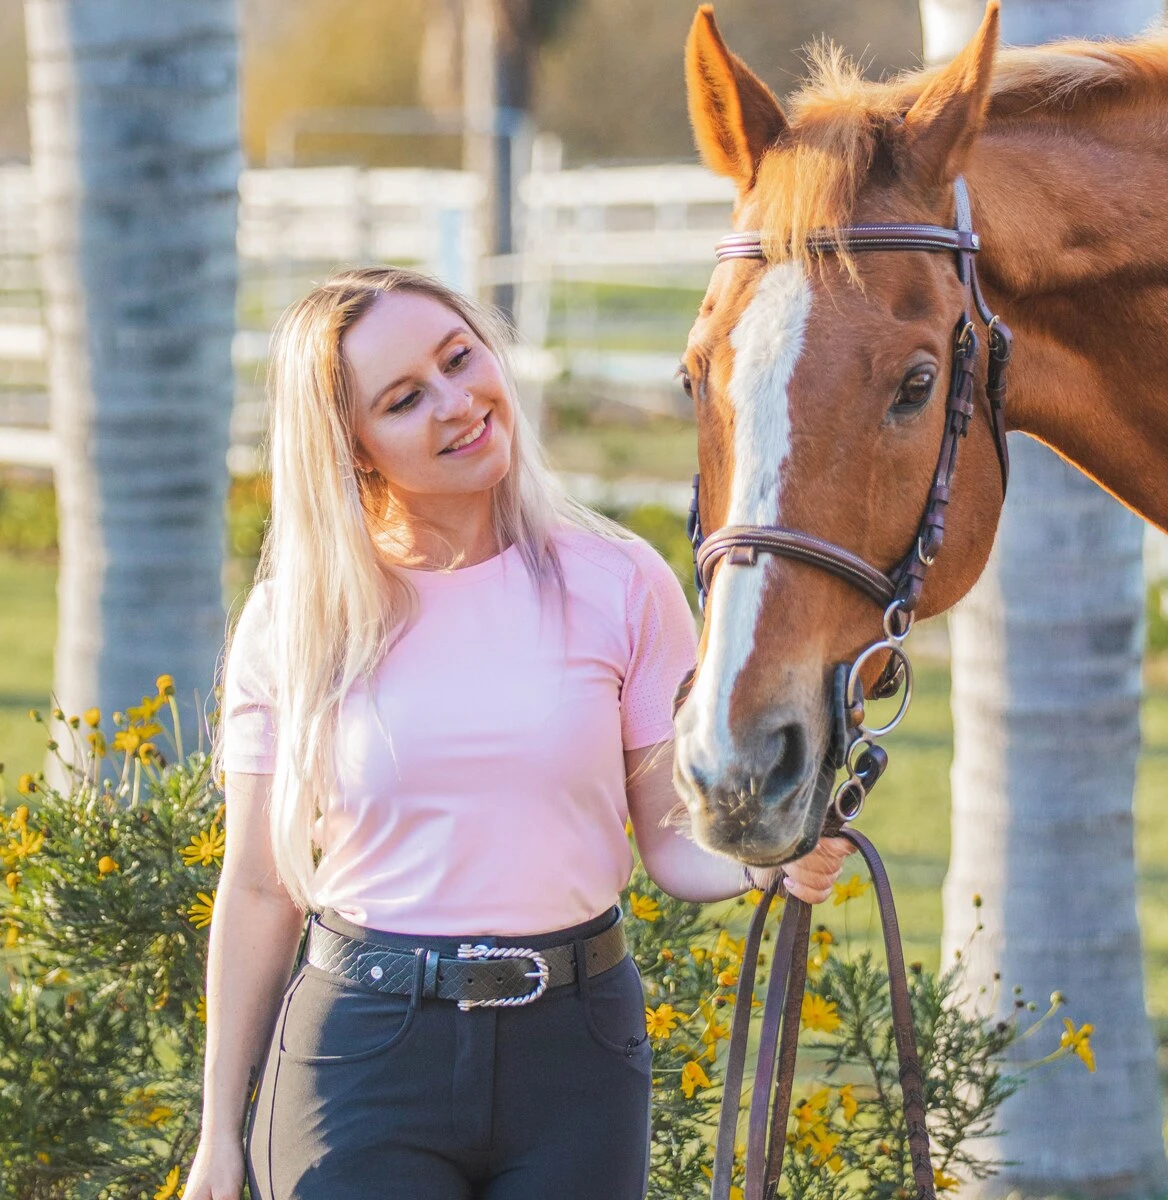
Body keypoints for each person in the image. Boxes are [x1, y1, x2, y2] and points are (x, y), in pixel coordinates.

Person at [182, 267, 854, 1200]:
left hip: (576, 1054)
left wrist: (762, 860)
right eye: (405, 398)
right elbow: (258, 888)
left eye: (460, 359)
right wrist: (220, 1134)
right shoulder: (295, 620)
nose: (458, 404)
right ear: (354, 448)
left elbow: (667, 837)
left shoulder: (622, 581)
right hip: (361, 1057)